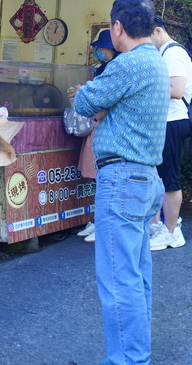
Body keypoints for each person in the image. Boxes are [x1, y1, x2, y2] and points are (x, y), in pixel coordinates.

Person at [72, 0, 168, 365]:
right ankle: (136, 353)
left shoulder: (127, 64)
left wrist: (85, 91)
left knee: (118, 278)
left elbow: (84, 104)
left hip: (122, 179)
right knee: (136, 275)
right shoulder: (155, 60)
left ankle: (129, 360)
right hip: (145, 178)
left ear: (117, 27)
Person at [147, 16, 192, 251]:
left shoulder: (173, 53)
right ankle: (159, 227)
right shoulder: (165, 52)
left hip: (173, 121)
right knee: (160, 176)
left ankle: (172, 232)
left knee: (169, 179)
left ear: (158, 31)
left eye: (147, 37)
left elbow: (176, 90)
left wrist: (145, 85)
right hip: (167, 122)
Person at [77, 30, 120, 243]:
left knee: (106, 178)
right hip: (98, 126)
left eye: (100, 47)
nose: (97, 51)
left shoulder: (116, 68)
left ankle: (104, 224)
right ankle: (98, 220)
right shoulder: (103, 68)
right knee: (99, 178)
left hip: (106, 128)